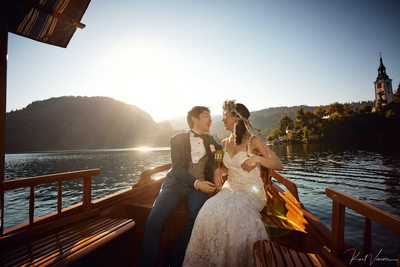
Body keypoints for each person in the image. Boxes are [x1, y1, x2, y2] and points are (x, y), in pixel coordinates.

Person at [182, 100, 283, 267]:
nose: (222, 119)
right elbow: (222, 167)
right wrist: (217, 171)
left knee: (234, 214)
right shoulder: (223, 143)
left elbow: (278, 164)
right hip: (230, 189)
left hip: (252, 192)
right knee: (207, 209)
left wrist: (257, 158)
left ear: (236, 118)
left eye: (225, 115)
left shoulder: (253, 141)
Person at [139, 106, 221, 267]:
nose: (210, 119)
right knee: (154, 219)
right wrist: (198, 184)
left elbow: (220, 152)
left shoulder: (211, 140)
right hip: (175, 185)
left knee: (199, 218)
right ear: (194, 119)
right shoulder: (177, 139)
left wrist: (218, 167)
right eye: (206, 116)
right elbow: (177, 169)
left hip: (198, 189)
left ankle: (172, 262)